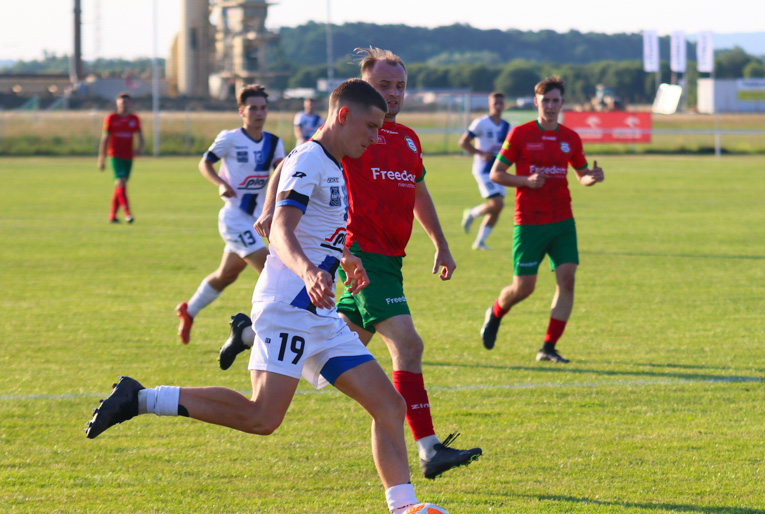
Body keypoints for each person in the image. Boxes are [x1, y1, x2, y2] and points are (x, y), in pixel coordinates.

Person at [85, 79, 475, 514]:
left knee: (388, 405)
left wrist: (343, 258)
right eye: (370, 126)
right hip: (288, 308)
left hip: (320, 315)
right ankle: (141, 397)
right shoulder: (309, 160)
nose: (376, 136)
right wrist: (311, 272)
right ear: (343, 115)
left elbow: (318, 229)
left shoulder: (334, 163)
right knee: (262, 417)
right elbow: (283, 232)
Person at [219, 47, 482, 481]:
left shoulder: (407, 138)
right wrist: (271, 208)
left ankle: (250, 333)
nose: (394, 94)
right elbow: (292, 161)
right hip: (359, 254)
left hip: (389, 259)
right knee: (408, 345)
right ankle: (428, 447)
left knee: (336, 350)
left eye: (400, 86)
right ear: (363, 90)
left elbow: (417, 191)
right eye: (384, 86)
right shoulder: (354, 132)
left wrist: (441, 242)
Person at [480, 76, 605, 363]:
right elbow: (496, 173)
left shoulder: (570, 138)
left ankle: (548, 347)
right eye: (545, 100)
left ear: (562, 103)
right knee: (524, 288)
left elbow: (581, 175)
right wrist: (526, 180)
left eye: (555, 100)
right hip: (529, 222)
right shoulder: (521, 134)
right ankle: (496, 312)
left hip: (562, 221)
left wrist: (592, 177)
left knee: (568, 280)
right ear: (536, 102)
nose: (550, 105)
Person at [175, 84, 286, 345]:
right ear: (241, 111)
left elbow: (281, 173)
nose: (259, 113)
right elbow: (205, 162)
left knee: (227, 275)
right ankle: (261, 332)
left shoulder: (273, 142)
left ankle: (188, 311)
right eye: (253, 108)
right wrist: (221, 183)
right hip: (235, 218)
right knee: (272, 269)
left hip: (259, 220)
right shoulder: (229, 138)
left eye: (263, 108)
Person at [459, 92, 510, 250]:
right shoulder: (480, 123)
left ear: (504, 105)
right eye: (495, 103)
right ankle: (472, 213)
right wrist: (481, 153)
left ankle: (479, 242)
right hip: (484, 170)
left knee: (497, 208)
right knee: (497, 203)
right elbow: (463, 142)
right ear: (490, 105)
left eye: (501, 103)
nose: (498, 106)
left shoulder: (507, 126)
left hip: (499, 171)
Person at [97, 92, 145, 223]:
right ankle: (128, 214)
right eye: (122, 102)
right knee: (121, 182)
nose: (124, 104)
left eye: (126, 102)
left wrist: (140, 147)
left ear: (130, 104)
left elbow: (140, 136)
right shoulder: (111, 118)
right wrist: (101, 158)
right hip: (115, 155)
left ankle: (112, 216)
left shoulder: (134, 119)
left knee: (119, 186)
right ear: (117, 104)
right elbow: (105, 139)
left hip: (128, 156)